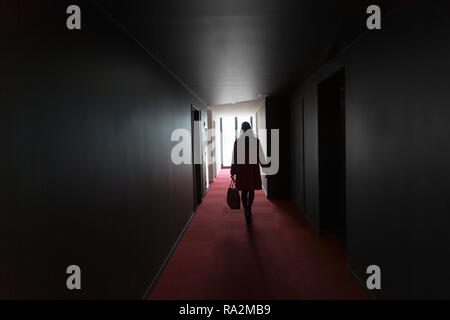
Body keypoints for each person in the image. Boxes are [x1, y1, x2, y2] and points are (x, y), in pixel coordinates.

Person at [230, 122, 267, 223]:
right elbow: (261, 156)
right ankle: (249, 208)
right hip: (252, 170)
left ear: (242, 129)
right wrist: (265, 168)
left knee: (244, 190)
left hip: (242, 170)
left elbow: (235, 158)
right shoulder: (256, 141)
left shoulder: (237, 142)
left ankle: (245, 208)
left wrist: (232, 171)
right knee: (251, 189)